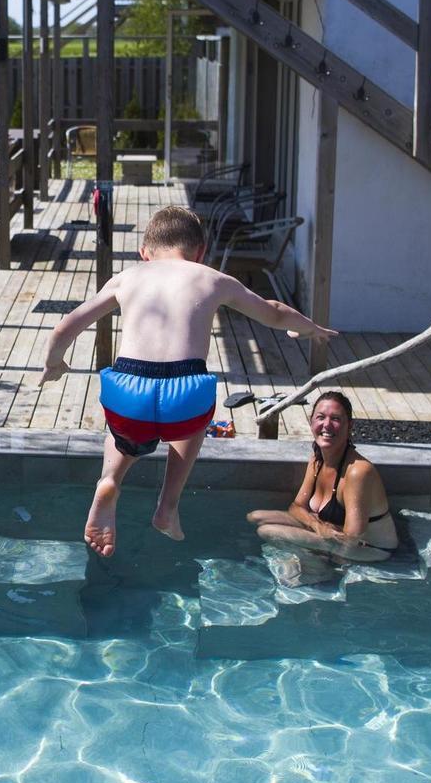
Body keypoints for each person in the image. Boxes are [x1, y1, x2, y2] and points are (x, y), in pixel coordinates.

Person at [40, 205, 338, 558]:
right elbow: (273, 311)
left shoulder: (127, 277)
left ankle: (109, 482)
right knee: (196, 409)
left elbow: (65, 327)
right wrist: (308, 328)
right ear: (200, 252)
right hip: (185, 397)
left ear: (145, 253)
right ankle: (168, 505)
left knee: (122, 435)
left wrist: (53, 364)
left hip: (128, 394)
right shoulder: (211, 278)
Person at [246, 390, 398, 564]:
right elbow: (295, 507)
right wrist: (318, 526)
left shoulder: (357, 472)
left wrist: (327, 562)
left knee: (267, 531)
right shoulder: (317, 461)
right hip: (333, 534)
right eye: (321, 417)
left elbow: (351, 539)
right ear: (311, 422)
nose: (327, 425)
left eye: (335, 419)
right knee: (255, 516)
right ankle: (313, 556)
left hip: (370, 549)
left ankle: (316, 566)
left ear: (349, 426)